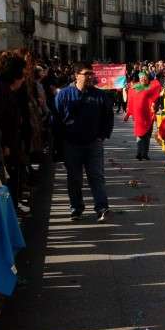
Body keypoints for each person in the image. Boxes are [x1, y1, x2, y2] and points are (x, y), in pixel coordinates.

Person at [54, 62, 114, 222]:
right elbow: (57, 119)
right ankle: (76, 208)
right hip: (71, 144)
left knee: (96, 176)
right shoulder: (64, 94)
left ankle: (102, 207)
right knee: (74, 178)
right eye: (86, 73)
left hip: (93, 143)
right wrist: (59, 143)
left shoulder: (100, 95)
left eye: (91, 74)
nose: (90, 77)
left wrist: (102, 135)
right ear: (76, 75)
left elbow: (108, 117)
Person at [0, 52, 26, 208]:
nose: (24, 78)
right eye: (22, 74)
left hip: (7, 147)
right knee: (4, 188)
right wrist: (5, 145)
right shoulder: (0, 91)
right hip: (3, 151)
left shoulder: (3, 89)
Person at [125, 70, 162, 160]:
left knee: (147, 134)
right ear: (139, 78)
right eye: (141, 77)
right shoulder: (134, 88)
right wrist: (128, 113)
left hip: (149, 114)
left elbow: (157, 93)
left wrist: (154, 105)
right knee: (139, 133)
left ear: (147, 78)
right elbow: (130, 100)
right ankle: (139, 153)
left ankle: (145, 153)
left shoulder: (151, 87)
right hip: (139, 115)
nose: (143, 79)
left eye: (144, 77)